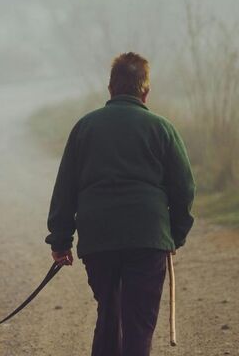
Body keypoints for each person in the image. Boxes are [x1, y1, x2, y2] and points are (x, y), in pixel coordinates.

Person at [45, 52, 195, 356]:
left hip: (99, 239)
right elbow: (184, 188)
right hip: (148, 238)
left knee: (109, 315)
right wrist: (174, 235)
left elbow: (65, 189)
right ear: (145, 91)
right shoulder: (162, 128)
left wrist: (61, 241)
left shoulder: (84, 127)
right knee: (138, 323)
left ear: (110, 88)